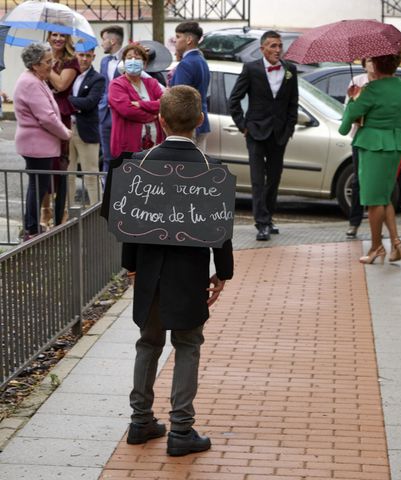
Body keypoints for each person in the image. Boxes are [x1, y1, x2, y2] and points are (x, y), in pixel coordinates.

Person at [107, 85, 234, 456]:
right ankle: (181, 429)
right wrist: (222, 273)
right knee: (188, 344)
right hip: (189, 276)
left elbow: (130, 221)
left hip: (148, 274)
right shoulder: (213, 171)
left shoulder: (140, 165)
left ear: (159, 120)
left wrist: (129, 267)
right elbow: (219, 233)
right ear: (199, 120)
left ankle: (140, 420)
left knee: (148, 343)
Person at [338, 52, 401, 264]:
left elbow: (345, 127)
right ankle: (395, 242)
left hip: (372, 147)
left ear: (377, 64)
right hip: (395, 145)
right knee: (384, 196)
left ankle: (376, 247)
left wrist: (353, 98)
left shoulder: (370, 91)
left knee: (372, 201)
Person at [228, 30, 299, 241]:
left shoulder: (290, 70)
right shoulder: (251, 69)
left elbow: (293, 102)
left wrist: (289, 128)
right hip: (256, 132)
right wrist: (243, 126)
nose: (278, 50)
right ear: (263, 49)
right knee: (258, 180)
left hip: (279, 134)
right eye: (273, 46)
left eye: (279, 46)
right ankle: (262, 223)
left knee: (274, 178)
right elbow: (234, 100)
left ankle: (268, 217)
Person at [13, 43, 72, 240]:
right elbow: (46, 117)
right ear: (36, 65)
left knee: (37, 185)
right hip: (37, 144)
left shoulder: (35, 79)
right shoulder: (30, 82)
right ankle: (30, 228)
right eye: (48, 62)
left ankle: (31, 226)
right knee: (38, 186)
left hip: (38, 143)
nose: (52, 64)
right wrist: (65, 133)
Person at [47, 31, 80, 226]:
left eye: (62, 35)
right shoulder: (44, 55)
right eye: (54, 35)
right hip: (41, 112)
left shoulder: (71, 61)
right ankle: (45, 210)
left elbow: (60, 84)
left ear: (67, 39)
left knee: (59, 162)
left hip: (60, 114)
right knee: (43, 163)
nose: (58, 39)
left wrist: (43, 65)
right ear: (49, 37)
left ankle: (61, 212)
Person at [108, 43, 164, 160]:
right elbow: (127, 110)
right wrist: (153, 115)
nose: (133, 61)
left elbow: (165, 104)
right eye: (129, 58)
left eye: (138, 58)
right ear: (124, 62)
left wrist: (141, 104)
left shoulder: (151, 82)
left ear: (144, 64)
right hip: (128, 147)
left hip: (154, 146)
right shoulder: (117, 84)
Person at [67, 48, 106, 206]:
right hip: (66, 128)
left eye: (88, 56)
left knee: (91, 173)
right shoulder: (68, 74)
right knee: (67, 174)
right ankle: (65, 213)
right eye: (81, 55)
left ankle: (97, 213)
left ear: (93, 57)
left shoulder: (98, 78)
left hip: (87, 130)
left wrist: (67, 101)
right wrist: (75, 104)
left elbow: (90, 103)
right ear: (75, 55)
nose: (84, 59)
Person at [345, 58, 375, 239]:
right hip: (359, 137)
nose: (372, 64)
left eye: (374, 60)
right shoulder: (356, 81)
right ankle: (354, 222)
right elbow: (347, 112)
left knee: (377, 182)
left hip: (377, 138)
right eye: (369, 60)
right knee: (358, 180)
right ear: (364, 64)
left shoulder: (384, 82)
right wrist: (353, 99)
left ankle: (377, 224)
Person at [170, 21, 211, 150]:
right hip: (201, 121)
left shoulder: (186, 64)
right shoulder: (201, 60)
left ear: (188, 40)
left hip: (187, 126)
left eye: (178, 37)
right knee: (199, 167)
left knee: (186, 167)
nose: (175, 41)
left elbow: (178, 99)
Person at [99, 25, 125, 174]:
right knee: (106, 155)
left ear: (113, 41)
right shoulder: (104, 61)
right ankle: (105, 189)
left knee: (120, 155)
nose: (102, 43)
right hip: (104, 114)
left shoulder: (129, 59)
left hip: (120, 114)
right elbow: (103, 86)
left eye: (104, 40)